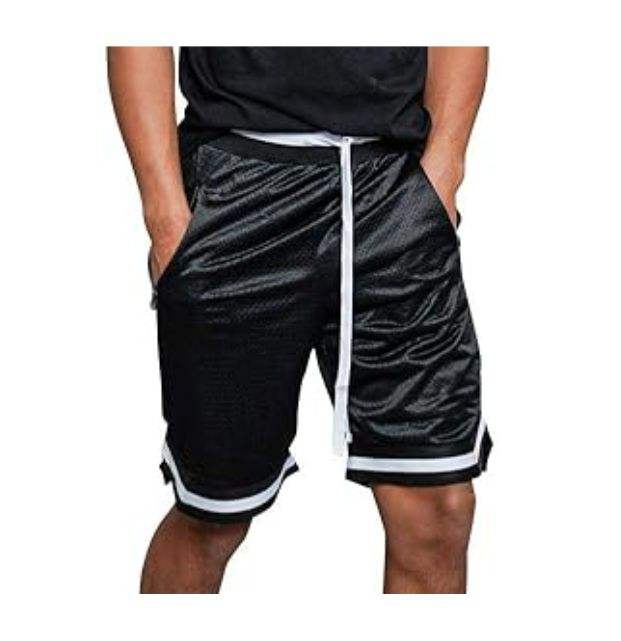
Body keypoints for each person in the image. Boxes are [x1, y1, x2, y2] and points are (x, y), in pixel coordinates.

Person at [108, 46, 491, 594]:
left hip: (394, 191)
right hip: (239, 188)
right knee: (213, 512)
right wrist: (166, 219)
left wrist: (444, 172)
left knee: (437, 505)